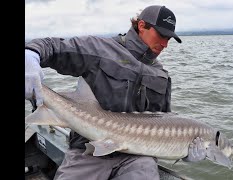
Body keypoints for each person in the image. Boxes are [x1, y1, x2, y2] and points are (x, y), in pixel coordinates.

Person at [25, 5, 206, 180]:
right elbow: (52, 46)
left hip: (137, 157)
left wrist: (183, 152)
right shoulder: (101, 49)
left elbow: (165, 124)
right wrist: (31, 54)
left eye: (170, 39)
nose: (165, 44)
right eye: (161, 35)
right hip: (88, 149)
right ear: (141, 26)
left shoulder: (161, 76)